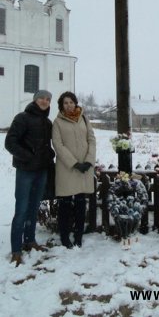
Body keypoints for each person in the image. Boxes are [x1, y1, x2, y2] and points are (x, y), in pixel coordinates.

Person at [5, 90, 55, 267]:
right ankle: (16, 250)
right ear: (35, 100)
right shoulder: (22, 118)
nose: (44, 101)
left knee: (34, 208)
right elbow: (10, 142)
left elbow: (46, 145)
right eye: (41, 98)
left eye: (48, 99)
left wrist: (49, 155)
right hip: (26, 171)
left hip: (41, 171)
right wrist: (27, 156)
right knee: (22, 209)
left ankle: (30, 240)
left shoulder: (47, 122)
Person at [52, 91, 96, 248]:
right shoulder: (57, 122)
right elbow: (58, 145)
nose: (69, 105)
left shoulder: (84, 118)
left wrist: (89, 161)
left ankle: (78, 235)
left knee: (80, 203)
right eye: (65, 103)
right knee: (65, 204)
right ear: (61, 105)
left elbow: (91, 139)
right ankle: (64, 236)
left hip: (84, 168)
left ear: (75, 103)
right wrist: (74, 163)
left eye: (71, 102)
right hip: (67, 169)